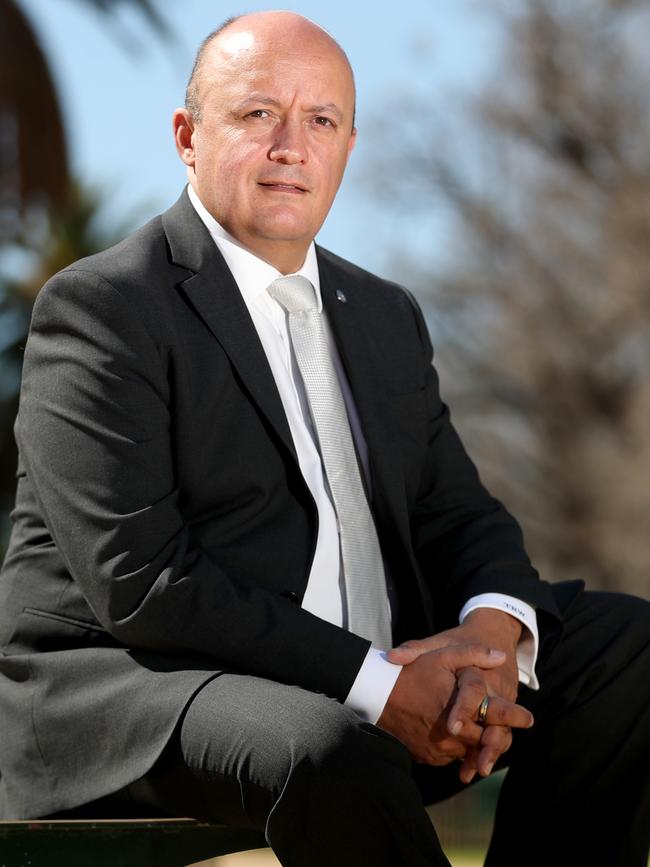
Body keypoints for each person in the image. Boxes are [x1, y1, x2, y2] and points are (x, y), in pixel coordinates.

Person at [0, 11, 648, 866]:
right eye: (257, 113)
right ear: (188, 136)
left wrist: (491, 643)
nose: (290, 146)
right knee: (327, 746)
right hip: (145, 690)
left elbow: (459, 516)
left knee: (623, 645)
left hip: (355, 684)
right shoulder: (104, 308)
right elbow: (141, 580)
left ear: (348, 144)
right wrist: (382, 687)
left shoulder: (383, 312)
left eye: (322, 120)